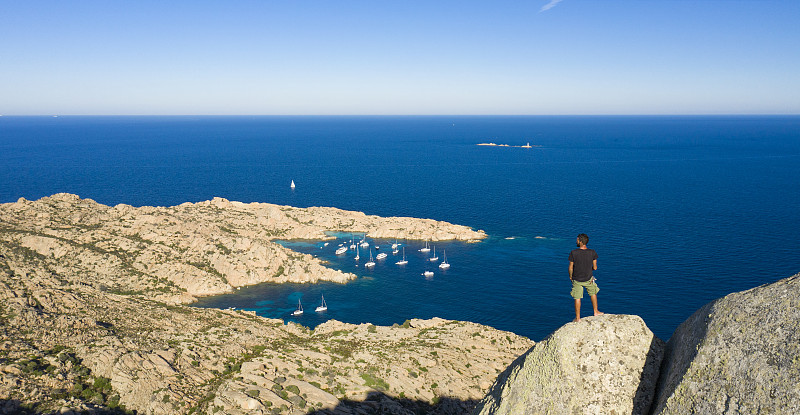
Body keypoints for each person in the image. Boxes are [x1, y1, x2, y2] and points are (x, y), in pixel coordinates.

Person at [568, 233, 603, 322]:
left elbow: (570, 267)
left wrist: (571, 276)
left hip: (577, 279)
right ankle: (596, 311)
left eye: (577, 240)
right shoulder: (592, 252)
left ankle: (578, 318)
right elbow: (595, 267)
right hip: (588, 279)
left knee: (577, 297)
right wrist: (589, 269)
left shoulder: (573, 253)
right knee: (593, 293)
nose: (576, 241)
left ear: (580, 241)